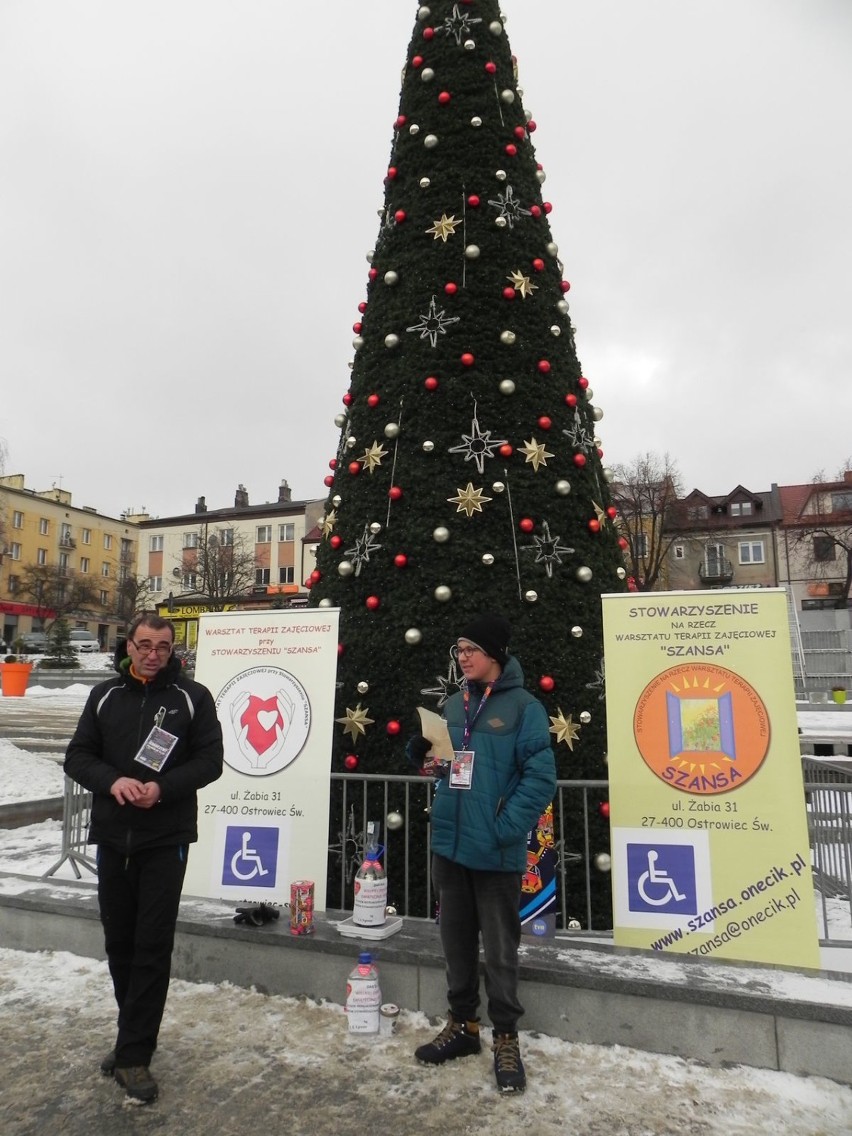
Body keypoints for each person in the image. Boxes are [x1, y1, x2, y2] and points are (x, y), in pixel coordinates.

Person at [64, 613, 223, 1104]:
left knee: (152, 947)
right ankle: (131, 1034)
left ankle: (134, 1055)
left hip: (164, 839)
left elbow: (210, 761)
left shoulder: (192, 699)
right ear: (128, 647)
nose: (153, 654)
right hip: (113, 839)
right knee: (120, 944)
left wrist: (162, 787)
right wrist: (113, 782)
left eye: (162, 646)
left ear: (173, 649)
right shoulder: (104, 697)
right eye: (144, 644)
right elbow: (77, 756)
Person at [409, 614, 556, 1094]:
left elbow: (540, 779)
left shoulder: (525, 709)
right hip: (450, 845)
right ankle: (463, 1027)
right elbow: (450, 765)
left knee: (499, 951)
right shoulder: (454, 704)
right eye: (459, 648)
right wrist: (426, 758)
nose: (462, 656)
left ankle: (507, 1038)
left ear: (494, 653)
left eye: (471, 648)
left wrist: (505, 828)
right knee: (455, 945)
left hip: (494, 851)